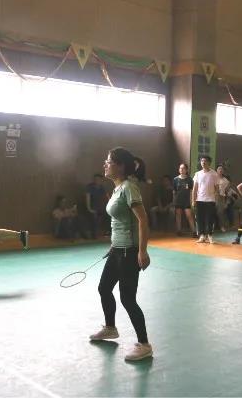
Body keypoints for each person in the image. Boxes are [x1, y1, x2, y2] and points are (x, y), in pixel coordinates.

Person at [89, 147, 153, 362]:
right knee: (104, 288)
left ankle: (144, 345)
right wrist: (113, 246)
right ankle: (110, 328)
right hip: (117, 250)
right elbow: (119, 222)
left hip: (129, 252)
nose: (105, 165)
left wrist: (142, 251)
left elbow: (142, 220)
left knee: (128, 299)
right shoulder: (117, 188)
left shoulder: (129, 188)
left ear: (121, 166)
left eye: (108, 161)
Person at [192, 155, 219, 244]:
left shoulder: (214, 174)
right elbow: (195, 188)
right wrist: (193, 200)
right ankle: (202, 236)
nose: (203, 162)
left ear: (209, 162)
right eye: (202, 161)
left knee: (209, 219)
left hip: (210, 200)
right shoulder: (197, 174)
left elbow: (217, 188)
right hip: (199, 200)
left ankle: (210, 235)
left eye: (205, 161)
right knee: (200, 219)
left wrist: (216, 200)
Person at [173, 163, 196, 237]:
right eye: (180, 168)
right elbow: (174, 191)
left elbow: (191, 191)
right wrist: (174, 201)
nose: (181, 170)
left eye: (183, 168)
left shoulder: (189, 179)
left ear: (186, 170)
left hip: (187, 201)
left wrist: (191, 201)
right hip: (178, 200)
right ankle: (178, 230)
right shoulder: (175, 179)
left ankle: (194, 231)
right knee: (178, 215)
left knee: (189, 215)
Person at [85, 174, 109, 239]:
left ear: (101, 180)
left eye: (98, 179)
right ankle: (94, 235)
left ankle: (105, 233)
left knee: (107, 216)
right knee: (94, 217)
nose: (97, 181)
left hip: (101, 208)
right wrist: (89, 208)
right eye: (95, 179)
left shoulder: (102, 188)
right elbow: (87, 198)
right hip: (92, 208)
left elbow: (107, 197)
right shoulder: (89, 187)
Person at [215, 164, 231, 232]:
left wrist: (226, 202)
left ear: (223, 171)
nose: (220, 170)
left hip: (221, 198)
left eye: (222, 169)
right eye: (219, 169)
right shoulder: (213, 177)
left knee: (220, 213)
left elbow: (227, 192)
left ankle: (222, 226)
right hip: (212, 197)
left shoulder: (226, 180)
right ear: (216, 170)